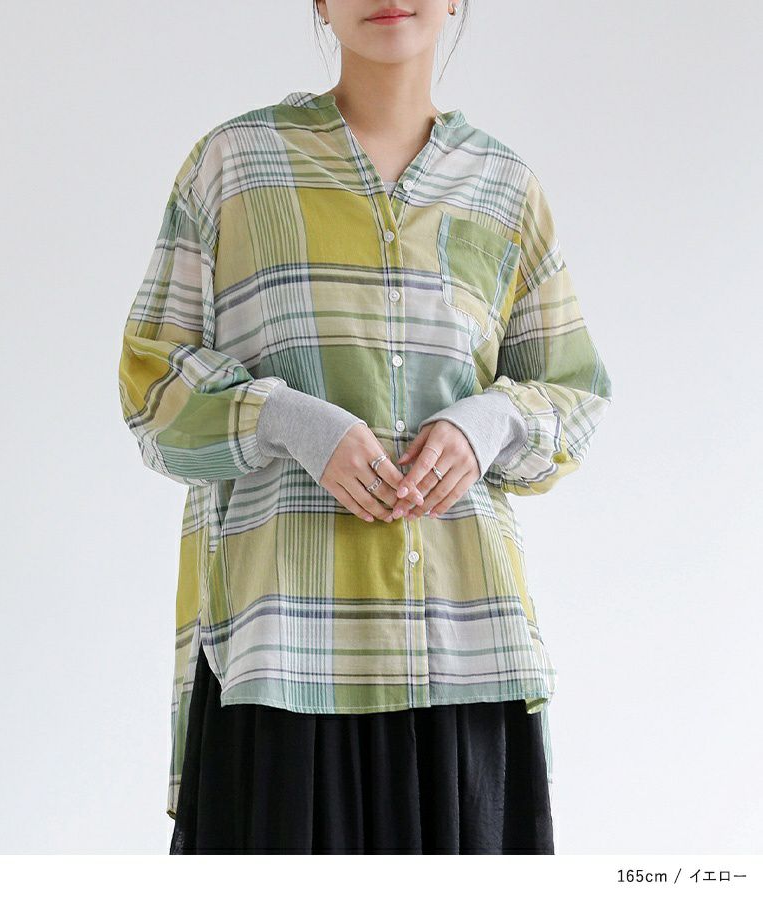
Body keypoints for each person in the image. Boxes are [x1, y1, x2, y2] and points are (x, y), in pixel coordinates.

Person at [117, 0, 612, 854]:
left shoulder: (505, 188)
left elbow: (574, 394)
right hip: (279, 646)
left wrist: (486, 421)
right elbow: (151, 383)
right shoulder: (233, 165)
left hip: (464, 648)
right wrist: (288, 419)